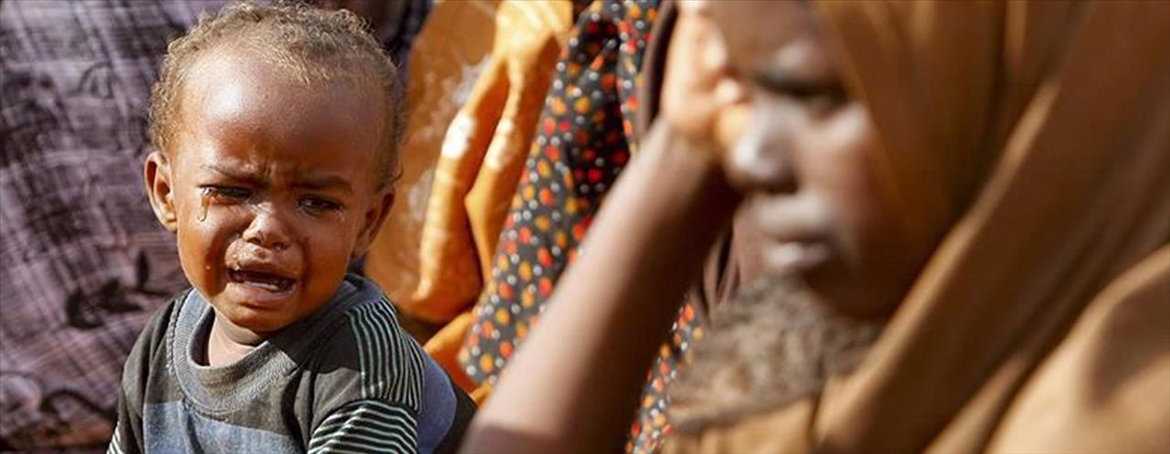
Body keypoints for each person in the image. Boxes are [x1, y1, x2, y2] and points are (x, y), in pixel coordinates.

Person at [462, 0, 1170, 452]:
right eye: (744, 92)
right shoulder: (824, 347)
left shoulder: (1116, 418)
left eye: (805, 94)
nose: (747, 156)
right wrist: (681, 150)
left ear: (1000, 92)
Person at [107, 3, 474, 453]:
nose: (269, 229)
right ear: (166, 194)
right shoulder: (164, 342)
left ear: (368, 222)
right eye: (232, 191)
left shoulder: (360, 360)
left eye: (316, 202)